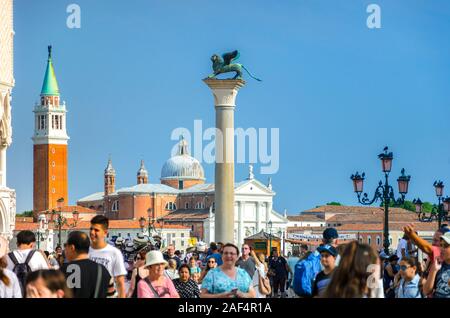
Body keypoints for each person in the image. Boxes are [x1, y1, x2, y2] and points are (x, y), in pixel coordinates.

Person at [61, 231, 114, 298]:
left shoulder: (62, 271)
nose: (64, 249)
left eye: (65, 245)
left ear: (72, 248)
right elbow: (111, 295)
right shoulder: (103, 270)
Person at [88, 215, 127, 298]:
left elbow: (120, 283)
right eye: (91, 229)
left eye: (96, 230)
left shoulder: (114, 253)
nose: (92, 232)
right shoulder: (84, 251)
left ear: (105, 233)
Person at [6, 230, 49, 296]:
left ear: (17, 243)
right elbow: (47, 275)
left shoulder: (7, 257)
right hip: (33, 293)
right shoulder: (37, 255)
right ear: (32, 244)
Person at [423, 232, 450, 298]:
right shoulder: (438, 265)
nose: (441, 248)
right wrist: (433, 270)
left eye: (445, 246)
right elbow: (426, 291)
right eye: (441, 245)